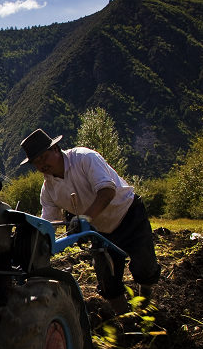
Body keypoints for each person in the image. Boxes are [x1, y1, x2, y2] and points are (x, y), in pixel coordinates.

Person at [20, 128, 161, 315]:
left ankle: (145, 306)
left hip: (127, 214)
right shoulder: (48, 191)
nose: (41, 165)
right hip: (99, 231)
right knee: (107, 281)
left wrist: (85, 218)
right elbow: (49, 223)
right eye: (36, 162)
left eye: (43, 157)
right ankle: (127, 322)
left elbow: (107, 191)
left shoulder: (85, 158)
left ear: (56, 149)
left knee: (145, 267)